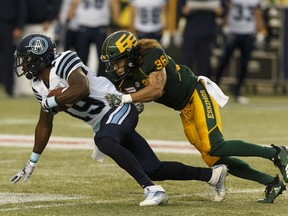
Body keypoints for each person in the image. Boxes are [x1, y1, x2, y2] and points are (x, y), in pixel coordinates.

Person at [11, 33, 228, 206]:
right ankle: (213, 176)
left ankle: (152, 190)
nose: (23, 64)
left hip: (118, 106)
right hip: (104, 122)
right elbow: (44, 123)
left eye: (25, 59)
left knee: (104, 141)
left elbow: (82, 88)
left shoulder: (63, 61)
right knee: (153, 167)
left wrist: (52, 101)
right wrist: (32, 161)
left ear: (39, 57)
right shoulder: (38, 87)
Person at [100, 30, 288, 204]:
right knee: (213, 159)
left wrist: (127, 98)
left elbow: (156, 89)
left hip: (196, 93)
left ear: (131, 55)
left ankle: (276, 152)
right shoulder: (124, 78)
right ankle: (271, 182)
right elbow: (135, 96)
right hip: (184, 108)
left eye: (118, 61)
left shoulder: (152, 55)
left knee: (215, 145)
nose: (115, 67)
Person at [215, 0, 266, 104]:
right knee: (224, 61)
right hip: (233, 32)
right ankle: (214, 89)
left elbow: (258, 14)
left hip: (248, 33)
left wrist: (260, 31)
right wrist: (225, 25)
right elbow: (227, 10)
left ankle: (237, 92)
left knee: (244, 64)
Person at [13, 0, 61, 97]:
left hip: (44, 25)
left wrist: (49, 18)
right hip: (26, 25)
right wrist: (19, 24)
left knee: (47, 58)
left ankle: (50, 87)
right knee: (24, 58)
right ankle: (22, 89)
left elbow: (56, 3)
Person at [72, 0, 120, 77]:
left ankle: (102, 79)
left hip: (100, 27)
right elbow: (74, 4)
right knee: (81, 56)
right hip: (84, 27)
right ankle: (81, 78)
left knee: (104, 57)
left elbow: (114, 4)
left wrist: (115, 24)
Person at [176, 0, 223, 78]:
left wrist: (219, 10)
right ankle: (186, 88)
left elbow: (222, 11)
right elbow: (181, 10)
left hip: (207, 33)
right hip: (191, 32)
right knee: (187, 62)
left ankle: (203, 88)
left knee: (205, 66)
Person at [0, 0, 27, 97]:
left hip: (9, 27)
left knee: (8, 59)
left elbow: (22, 8)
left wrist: (19, 26)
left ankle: (8, 89)